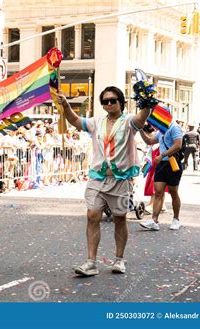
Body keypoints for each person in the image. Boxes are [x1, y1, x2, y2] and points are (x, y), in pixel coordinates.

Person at [57, 86, 151, 276]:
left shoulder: (129, 122)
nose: (108, 104)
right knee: (92, 216)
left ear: (120, 102)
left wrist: (147, 102)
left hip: (121, 181)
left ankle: (119, 259)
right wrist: (66, 105)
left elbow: (142, 118)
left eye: (112, 100)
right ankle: (91, 263)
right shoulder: (96, 122)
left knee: (119, 219)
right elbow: (75, 121)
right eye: (105, 101)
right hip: (97, 179)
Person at [138, 120, 184, 231]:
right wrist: (140, 129)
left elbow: (178, 145)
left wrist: (162, 154)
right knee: (158, 192)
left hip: (173, 163)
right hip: (161, 164)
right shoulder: (161, 131)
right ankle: (154, 221)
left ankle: (176, 219)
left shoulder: (174, 127)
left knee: (173, 191)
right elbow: (149, 141)